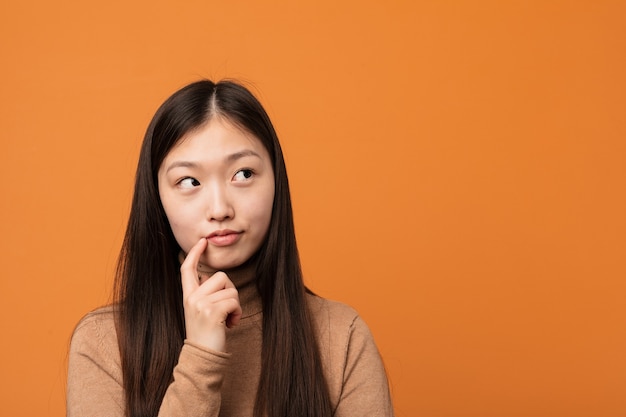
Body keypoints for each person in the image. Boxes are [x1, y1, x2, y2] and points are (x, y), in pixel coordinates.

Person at [66, 79, 394, 417]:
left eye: (244, 174)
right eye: (189, 182)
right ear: (157, 198)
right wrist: (201, 358)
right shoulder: (104, 343)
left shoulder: (341, 336)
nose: (220, 208)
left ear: (276, 181)